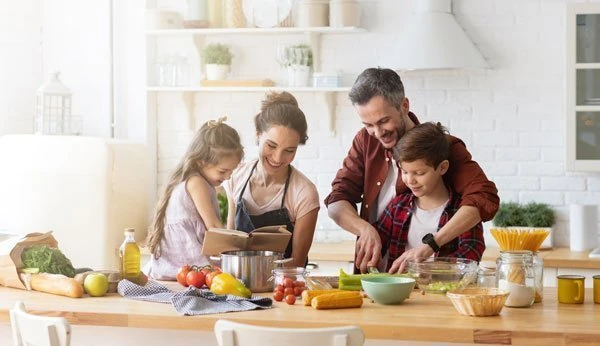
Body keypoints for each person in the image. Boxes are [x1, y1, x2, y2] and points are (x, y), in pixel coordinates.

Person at [325, 67, 499, 273]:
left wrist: (432, 245)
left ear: (404, 106)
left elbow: (483, 196)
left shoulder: (441, 147)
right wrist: (364, 229)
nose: (377, 133)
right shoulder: (365, 140)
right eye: (368, 125)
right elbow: (337, 200)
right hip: (378, 274)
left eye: (383, 121)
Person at [374, 122, 485, 273]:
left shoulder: (462, 211)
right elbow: (377, 243)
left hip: (443, 294)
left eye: (419, 173)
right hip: (399, 293)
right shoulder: (397, 206)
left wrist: (428, 268)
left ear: (442, 168)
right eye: (404, 172)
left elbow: (472, 254)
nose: (410, 180)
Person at [226, 91, 320, 267]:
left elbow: (298, 263)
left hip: (283, 287)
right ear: (258, 134)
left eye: (289, 150)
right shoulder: (236, 176)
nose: (278, 158)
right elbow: (229, 246)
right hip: (237, 286)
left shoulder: (304, 193)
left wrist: (257, 273)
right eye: (271, 145)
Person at [145, 118, 244, 280]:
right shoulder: (196, 183)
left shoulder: (195, 181)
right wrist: (239, 249)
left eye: (231, 172)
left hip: (179, 270)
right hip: (185, 269)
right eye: (222, 171)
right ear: (201, 162)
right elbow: (213, 226)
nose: (227, 177)